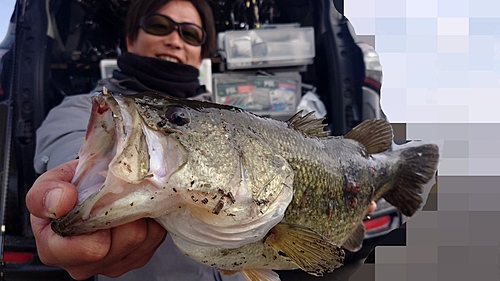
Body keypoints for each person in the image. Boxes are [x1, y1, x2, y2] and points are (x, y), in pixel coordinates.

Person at [25, 0, 376, 280]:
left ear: (202, 53)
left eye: (191, 34)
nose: (175, 39)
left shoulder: (236, 121)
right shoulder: (82, 111)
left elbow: (323, 253)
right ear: (131, 38)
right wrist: (76, 182)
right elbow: (67, 152)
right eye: (159, 25)